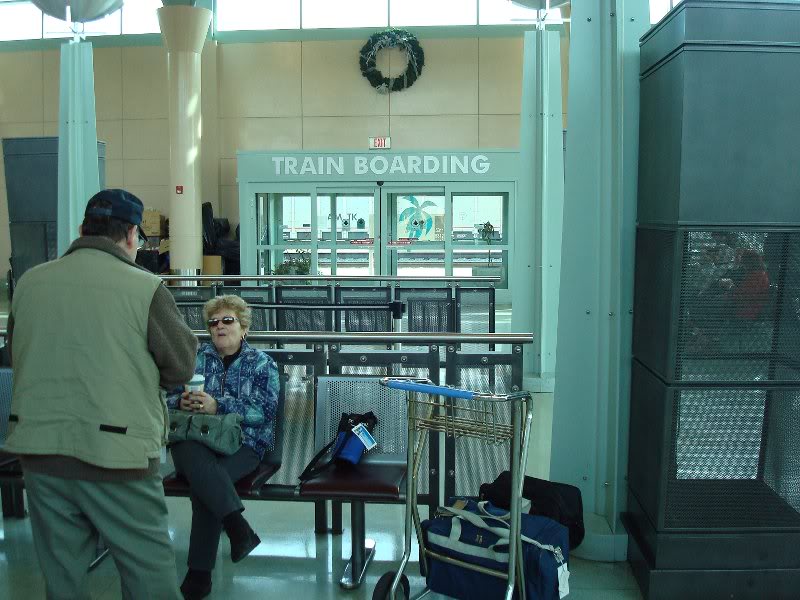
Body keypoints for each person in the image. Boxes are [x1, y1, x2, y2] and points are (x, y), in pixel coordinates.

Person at [4, 189, 198, 599]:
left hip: (41, 451)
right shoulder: (145, 288)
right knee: (151, 581)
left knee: (63, 579)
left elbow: (16, 353)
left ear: (81, 231)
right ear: (131, 235)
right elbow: (181, 367)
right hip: (118, 455)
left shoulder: (30, 283)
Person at [167, 294, 279, 600]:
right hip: (194, 441)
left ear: (243, 327)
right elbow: (164, 399)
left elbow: (264, 413)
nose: (219, 327)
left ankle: (199, 574)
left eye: (227, 320)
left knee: (206, 486)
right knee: (195, 457)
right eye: (213, 322)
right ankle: (237, 525)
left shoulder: (262, 364)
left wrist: (218, 406)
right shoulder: (194, 359)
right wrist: (180, 401)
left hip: (242, 443)